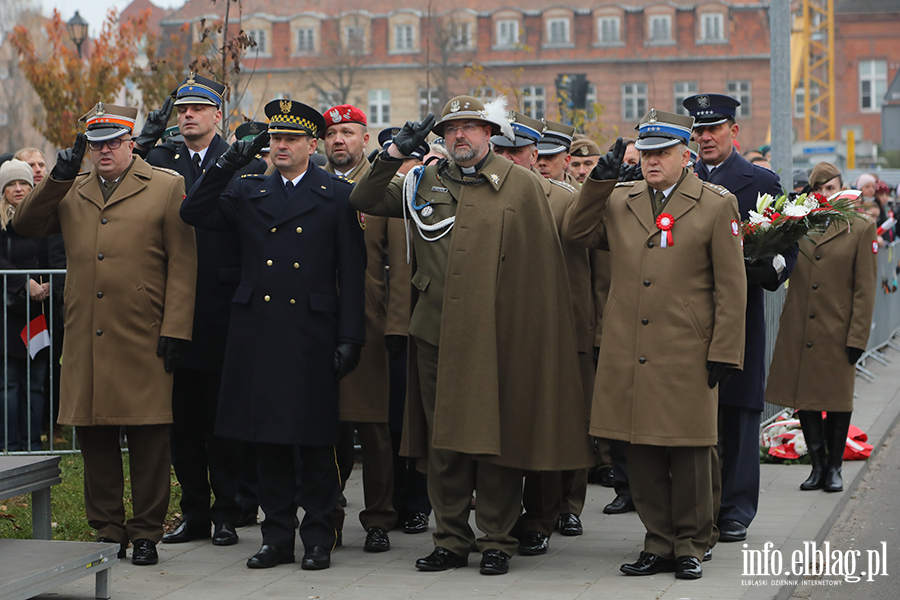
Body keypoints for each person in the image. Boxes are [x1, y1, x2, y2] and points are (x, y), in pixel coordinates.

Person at [349, 95, 592, 576]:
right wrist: (396, 154)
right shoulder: (424, 180)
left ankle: (497, 538)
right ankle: (451, 538)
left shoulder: (521, 185)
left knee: (494, 441)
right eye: (451, 129)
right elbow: (363, 198)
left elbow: (540, 270)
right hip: (437, 331)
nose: (460, 136)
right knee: (446, 444)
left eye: (470, 128)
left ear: (490, 134)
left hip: (499, 334)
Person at [180, 99, 366, 571]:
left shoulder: (335, 195)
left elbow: (353, 271)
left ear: (311, 144)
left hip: (312, 333)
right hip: (259, 332)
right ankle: (277, 537)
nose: (280, 146)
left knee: (314, 442)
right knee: (268, 444)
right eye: (275, 139)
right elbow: (195, 212)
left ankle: (319, 536)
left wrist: (351, 336)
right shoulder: (248, 191)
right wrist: (227, 163)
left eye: (290, 139)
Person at [564, 109, 747, 579]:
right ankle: (657, 540)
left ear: (684, 155)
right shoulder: (621, 199)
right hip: (630, 347)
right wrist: (598, 183)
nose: (651, 161)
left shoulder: (713, 203)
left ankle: (689, 542)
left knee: (688, 453)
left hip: (686, 349)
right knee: (640, 451)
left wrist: (726, 350)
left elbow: (731, 285)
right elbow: (577, 232)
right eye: (646, 153)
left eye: (662, 153)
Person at [13, 102, 198, 566]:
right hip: (86, 336)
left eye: (113, 142)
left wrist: (176, 328)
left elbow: (183, 263)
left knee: (149, 438)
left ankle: (146, 533)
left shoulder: (165, 185)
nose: (104, 151)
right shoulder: (71, 189)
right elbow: (25, 224)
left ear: (131, 143)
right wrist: (58, 174)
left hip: (144, 332)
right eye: (95, 145)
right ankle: (108, 529)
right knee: (95, 438)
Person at [135, 75, 268, 548]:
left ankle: (227, 512)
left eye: (198, 108)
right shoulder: (159, 159)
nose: (187, 115)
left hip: (223, 304)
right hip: (173, 306)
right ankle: (193, 512)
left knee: (224, 419)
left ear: (218, 114)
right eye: (182, 109)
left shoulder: (240, 160)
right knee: (184, 421)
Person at [683, 93, 797, 544]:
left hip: (741, 312)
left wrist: (759, 269)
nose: (705, 137)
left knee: (740, 412)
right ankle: (699, 505)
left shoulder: (760, 181)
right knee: (694, 414)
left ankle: (735, 510)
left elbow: (788, 251)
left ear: (734, 130)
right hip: (688, 315)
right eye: (699, 131)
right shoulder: (681, 177)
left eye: (714, 129)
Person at [492, 110, 593, 552]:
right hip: (496, 331)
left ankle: (541, 517)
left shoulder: (564, 200)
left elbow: (596, 273)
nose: (509, 159)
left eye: (517, 151)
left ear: (535, 155)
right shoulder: (480, 194)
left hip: (556, 331)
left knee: (548, 430)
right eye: (501, 150)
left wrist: (588, 333)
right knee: (503, 431)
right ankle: (500, 515)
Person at [319, 104, 410, 553]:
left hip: (371, 324)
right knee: (325, 426)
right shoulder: (313, 185)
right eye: (332, 132)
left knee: (373, 429)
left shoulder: (384, 189)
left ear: (364, 137)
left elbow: (399, 262)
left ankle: (378, 517)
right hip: (317, 325)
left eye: (348, 132)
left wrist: (397, 324)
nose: (339, 140)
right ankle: (327, 516)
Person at [766, 170, 877, 493]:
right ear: (811, 192)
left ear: (842, 188)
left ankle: (834, 468)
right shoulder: (800, 225)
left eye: (831, 187)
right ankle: (816, 467)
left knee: (837, 400)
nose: (826, 193)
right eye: (819, 188)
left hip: (837, 328)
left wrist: (858, 337)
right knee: (806, 400)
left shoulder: (860, 226)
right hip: (801, 325)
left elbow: (865, 288)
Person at [0, 159, 49, 452]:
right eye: (11, 184)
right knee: (8, 384)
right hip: (6, 314)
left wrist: (47, 287)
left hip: (38, 316)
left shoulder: (44, 219)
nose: (18, 189)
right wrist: (24, 282)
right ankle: (9, 445)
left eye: (24, 184)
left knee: (36, 383)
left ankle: (33, 444)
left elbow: (56, 256)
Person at [536, 120, 577, 187]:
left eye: (550, 157)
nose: (542, 163)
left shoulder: (579, 196)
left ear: (566, 161)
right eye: (537, 157)